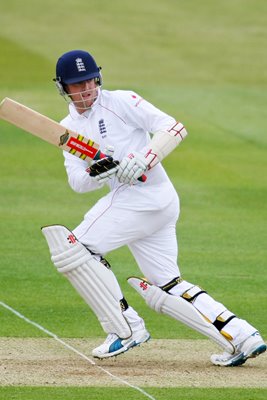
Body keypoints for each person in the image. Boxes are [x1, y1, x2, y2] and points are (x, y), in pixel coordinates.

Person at [42, 49, 266, 366]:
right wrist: (97, 172)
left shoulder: (122, 101)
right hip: (145, 202)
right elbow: (78, 182)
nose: (86, 89)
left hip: (146, 195)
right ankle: (242, 336)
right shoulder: (68, 127)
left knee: (72, 250)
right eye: (77, 84)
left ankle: (126, 328)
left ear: (99, 78)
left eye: (90, 81)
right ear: (63, 87)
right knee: (167, 283)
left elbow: (173, 127)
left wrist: (144, 158)